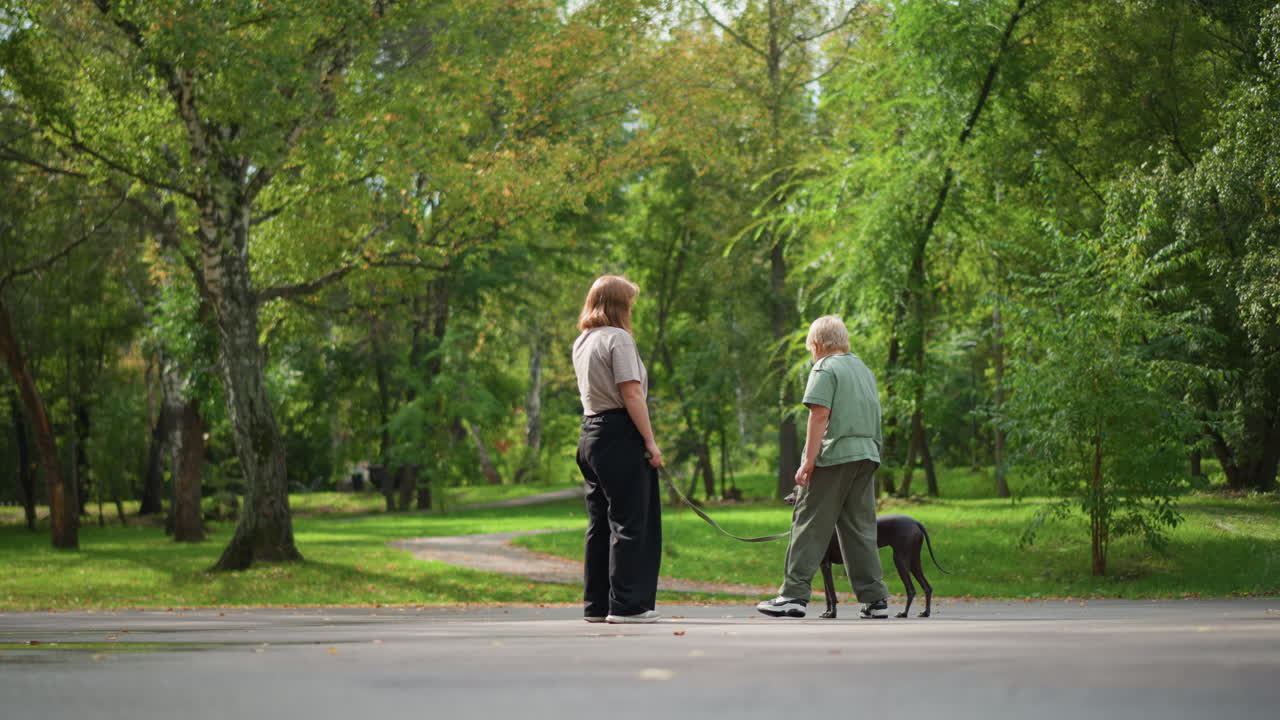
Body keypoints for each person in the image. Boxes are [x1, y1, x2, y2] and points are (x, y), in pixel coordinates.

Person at [757, 315, 891, 619]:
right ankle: (874, 599)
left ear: (817, 345)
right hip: (866, 455)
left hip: (834, 456)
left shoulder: (825, 367)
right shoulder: (864, 370)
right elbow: (875, 414)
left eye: (810, 349)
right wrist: (874, 452)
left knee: (808, 523)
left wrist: (808, 461)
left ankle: (793, 596)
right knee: (860, 528)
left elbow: (819, 416)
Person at [572, 275, 664, 624]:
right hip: (619, 433)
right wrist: (650, 442)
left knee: (599, 523)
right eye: (629, 303)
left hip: (590, 434)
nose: (631, 310)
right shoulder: (619, 339)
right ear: (618, 305)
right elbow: (631, 393)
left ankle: (596, 605)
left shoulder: (583, 340)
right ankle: (628, 605)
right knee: (631, 522)